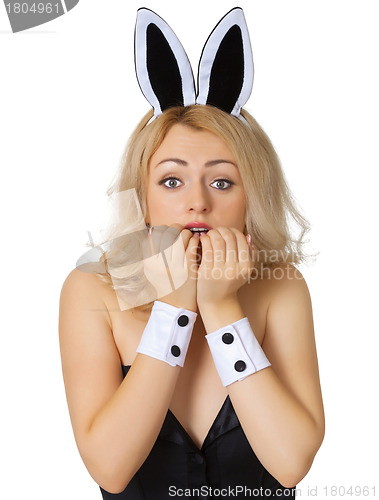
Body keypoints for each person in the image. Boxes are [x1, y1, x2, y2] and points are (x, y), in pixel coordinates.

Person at [59, 7, 324, 499]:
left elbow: (290, 465)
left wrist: (222, 309)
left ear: (251, 197)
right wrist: (176, 305)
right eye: (173, 180)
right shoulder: (91, 291)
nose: (198, 201)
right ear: (143, 195)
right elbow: (110, 470)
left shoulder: (281, 284)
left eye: (222, 181)